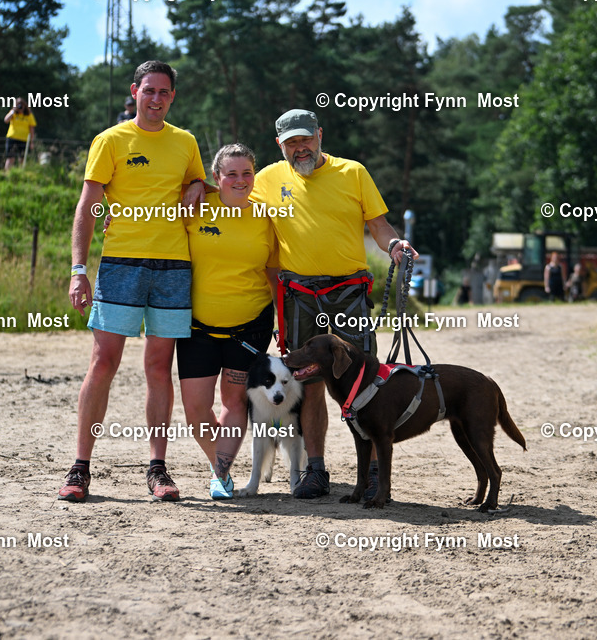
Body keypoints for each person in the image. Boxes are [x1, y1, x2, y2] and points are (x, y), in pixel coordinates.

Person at [59, 60, 207, 503]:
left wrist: (198, 184)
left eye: (164, 92)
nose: (156, 99)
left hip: (173, 268)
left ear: (172, 97)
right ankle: (81, 467)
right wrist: (78, 269)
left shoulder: (185, 141)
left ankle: (157, 468)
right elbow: (88, 207)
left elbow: (197, 178)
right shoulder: (110, 140)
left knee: (159, 369)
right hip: (121, 265)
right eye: (149, 91)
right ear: (135, 91)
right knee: (103, 363)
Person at [253, 109, 416, 499]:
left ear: (320, 135)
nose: (300, 147)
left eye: (305, 139)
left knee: (367, 382)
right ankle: (316, 470)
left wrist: (394, 244)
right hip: (300, 295)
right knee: (308, 383)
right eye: (291, 142)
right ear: (280, 145)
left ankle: (374, 472)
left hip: (349, 292)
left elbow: (378, 224)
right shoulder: (267, 179)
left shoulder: (352, 172)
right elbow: (234, 201)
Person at [177, 143, 279, 499]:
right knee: (195, 410)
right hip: (197, 328)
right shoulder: (196, 206)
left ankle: (220, 475)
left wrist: (282, 320)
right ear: (216, 177)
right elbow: (151, 213)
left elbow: (273, 273)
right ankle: (217, 464)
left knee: (234, 402)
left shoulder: (267, 216)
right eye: (231, 174)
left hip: (250, 326)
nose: (240, 180)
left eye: (247, 173)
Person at [4, 98, 36, 171]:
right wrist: (13, 111)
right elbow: (6, 120)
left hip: (24, 139)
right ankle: (7, 173)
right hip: (12, 137)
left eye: (21, 105)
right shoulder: (13, 113)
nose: (20, 107)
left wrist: (31, 142)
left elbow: (32, 129)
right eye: (18, 105)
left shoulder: (29, 115)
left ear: (25, 106)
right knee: (10, 157)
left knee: (22, 158)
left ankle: (21, 173)